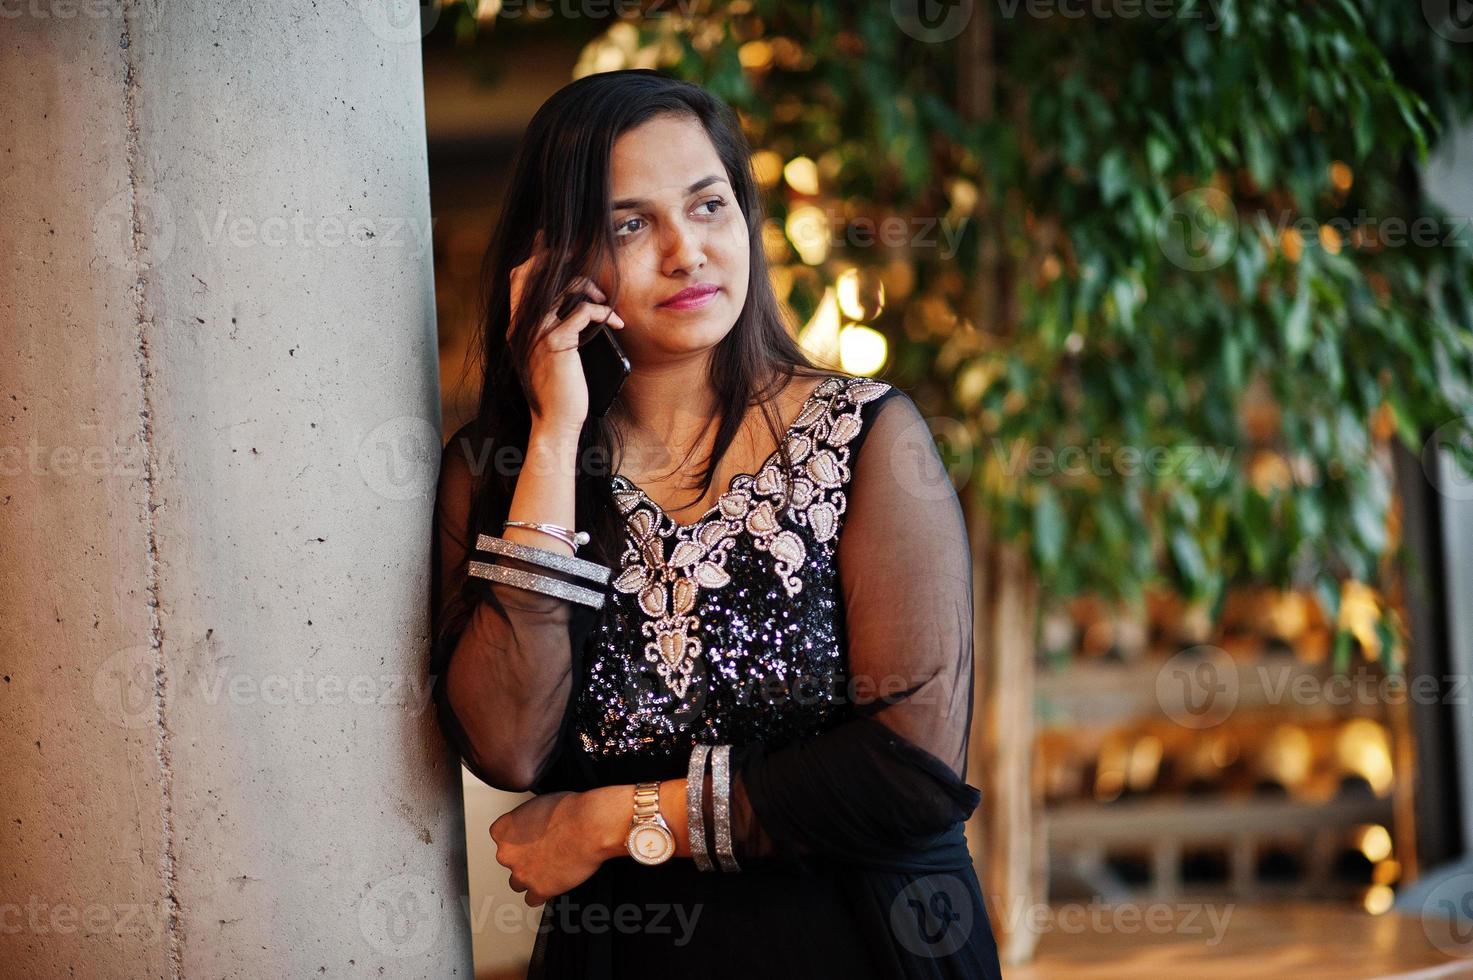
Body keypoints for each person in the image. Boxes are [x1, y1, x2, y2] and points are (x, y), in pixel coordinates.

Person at [431, 67, 1001, 979]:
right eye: (629, 223)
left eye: (707, 207)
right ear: (557, 258)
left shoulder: (867, 438)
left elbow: (909, 774)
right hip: (621, 959)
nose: (686, 251)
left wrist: (608, 821)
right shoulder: (497, 469)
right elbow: (507, 745)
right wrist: (555, 432)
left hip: (866, 942)